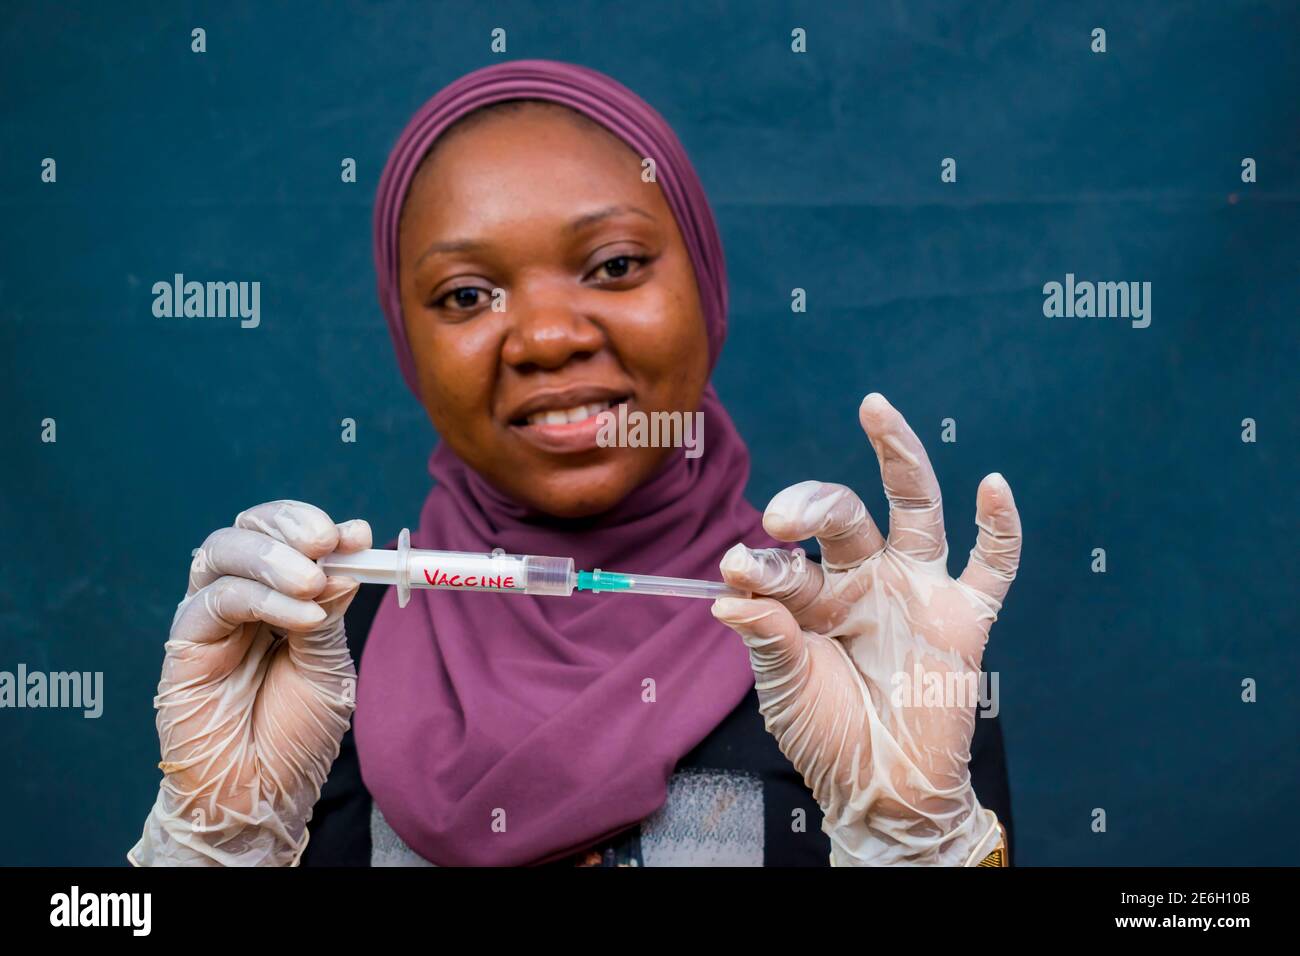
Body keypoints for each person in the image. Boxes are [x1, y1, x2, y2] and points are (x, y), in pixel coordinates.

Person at [128, 60, 1022, 868]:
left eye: (615, 265)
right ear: (407, 340)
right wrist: (213, 855)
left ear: (706, 287)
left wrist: (920, 849)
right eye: (467, 295)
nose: (548, 338)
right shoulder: (302, 665)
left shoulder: (873, 651)